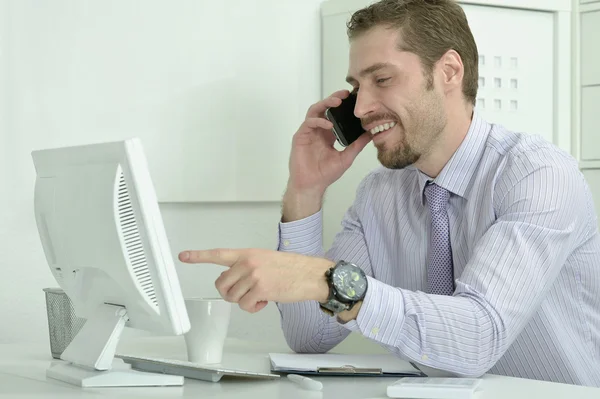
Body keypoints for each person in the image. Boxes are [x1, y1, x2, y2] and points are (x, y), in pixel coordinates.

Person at [178, 0, 600, 387]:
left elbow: (477, 336)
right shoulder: (379, 194)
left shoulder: (537, 174)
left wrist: (331, 283)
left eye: (382, 79)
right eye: (357, 87)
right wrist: (306, 192)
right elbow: (311, 335)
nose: (361, 109)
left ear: (450, 72)